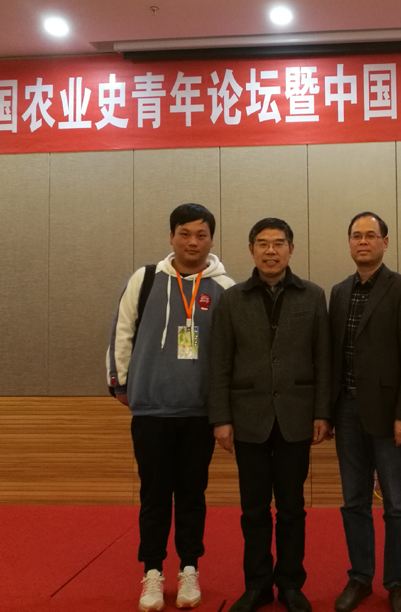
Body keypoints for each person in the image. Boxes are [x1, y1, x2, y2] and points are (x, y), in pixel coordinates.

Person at [107, 203, 235, 612]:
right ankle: (151, 572)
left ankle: (189, 569)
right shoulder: (145, 279)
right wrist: (121, 383)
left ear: (211, 240)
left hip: (199, 413)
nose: (192, 242)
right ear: (171, 237)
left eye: (201, 234)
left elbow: (234, 352)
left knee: (192, 495)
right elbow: (122, 332)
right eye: (184, 233)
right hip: (152, 411)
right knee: (154, 495)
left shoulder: (225, 288)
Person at [209, 218, 332, 612]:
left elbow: (323, 359)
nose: (270, 251)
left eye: (278, 243)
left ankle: (291, 584)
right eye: (262, 244)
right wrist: (221, 418)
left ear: (291, 249)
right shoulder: (232, 299)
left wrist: (323, 412)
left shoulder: (312, 295)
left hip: (297, 416)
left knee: (292, 508)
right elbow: (220, 362)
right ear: (251, 250)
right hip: (248, 418)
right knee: (254, 509)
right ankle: (257, 585)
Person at [329, 212, 401, 612]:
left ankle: (398, 582)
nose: (363, 242)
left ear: (385, 242)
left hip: (390, 415)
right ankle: (360, 577)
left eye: (371, 235)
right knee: (353, 501)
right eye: (357, 236)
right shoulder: (338, 292)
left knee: (397, 504)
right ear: (349, 243)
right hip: (346, 411)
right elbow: (333, 356)